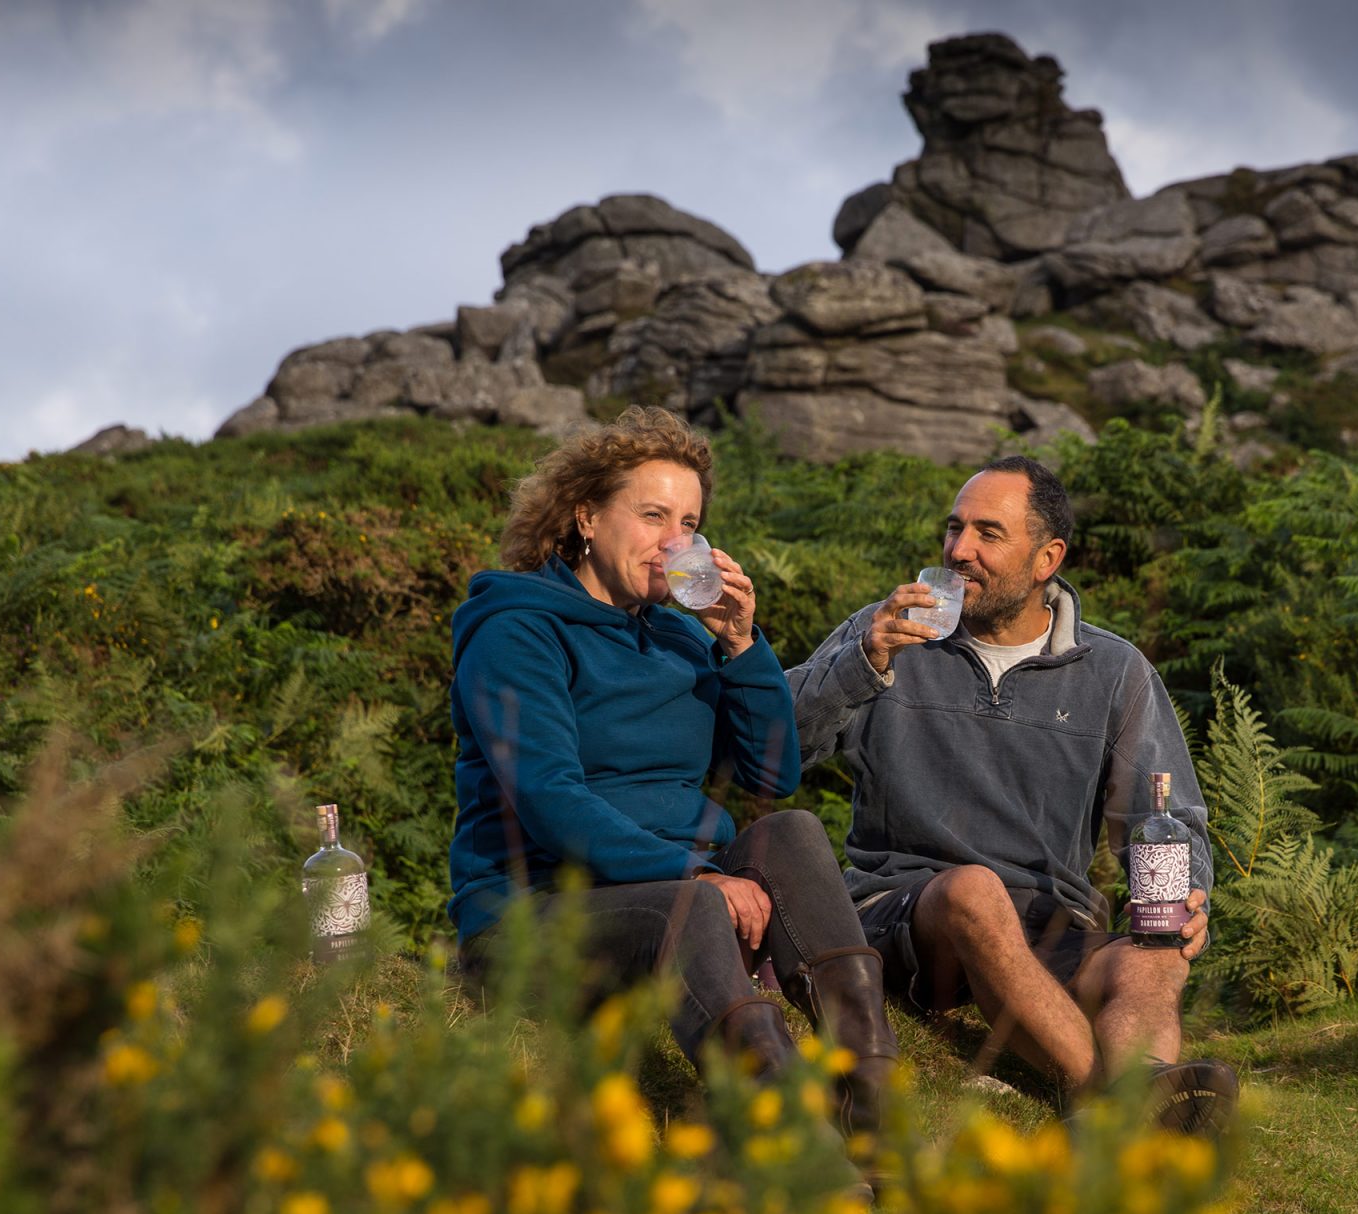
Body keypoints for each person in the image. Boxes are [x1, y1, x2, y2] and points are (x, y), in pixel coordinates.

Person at [446, 406, 897, 1139]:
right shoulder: (516, 631)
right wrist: (695, 874)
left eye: (688, 523)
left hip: (671, 901)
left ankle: (871, 1102)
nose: (674, 542)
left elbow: (771, 773)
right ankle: (789, 1138)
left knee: (791, 830)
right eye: (653, 515)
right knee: (689, 906)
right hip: (534, 917)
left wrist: (742, 646)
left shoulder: (681, 640)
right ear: (586, 517)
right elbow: (549, 799)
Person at [787, 455, 1236, 1133]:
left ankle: (1143, 1083)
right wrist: (862, 664)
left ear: (1046, 558)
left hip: (1050, 924)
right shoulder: (888, 631)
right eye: (954, 528)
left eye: (987, 534)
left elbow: (1162, 815)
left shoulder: (1114, 672)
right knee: (974, 892)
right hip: (909, 912)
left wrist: (1188, 898)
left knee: (1159, 939)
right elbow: (775, 747)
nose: (958, 550)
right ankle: (1120, 1112)